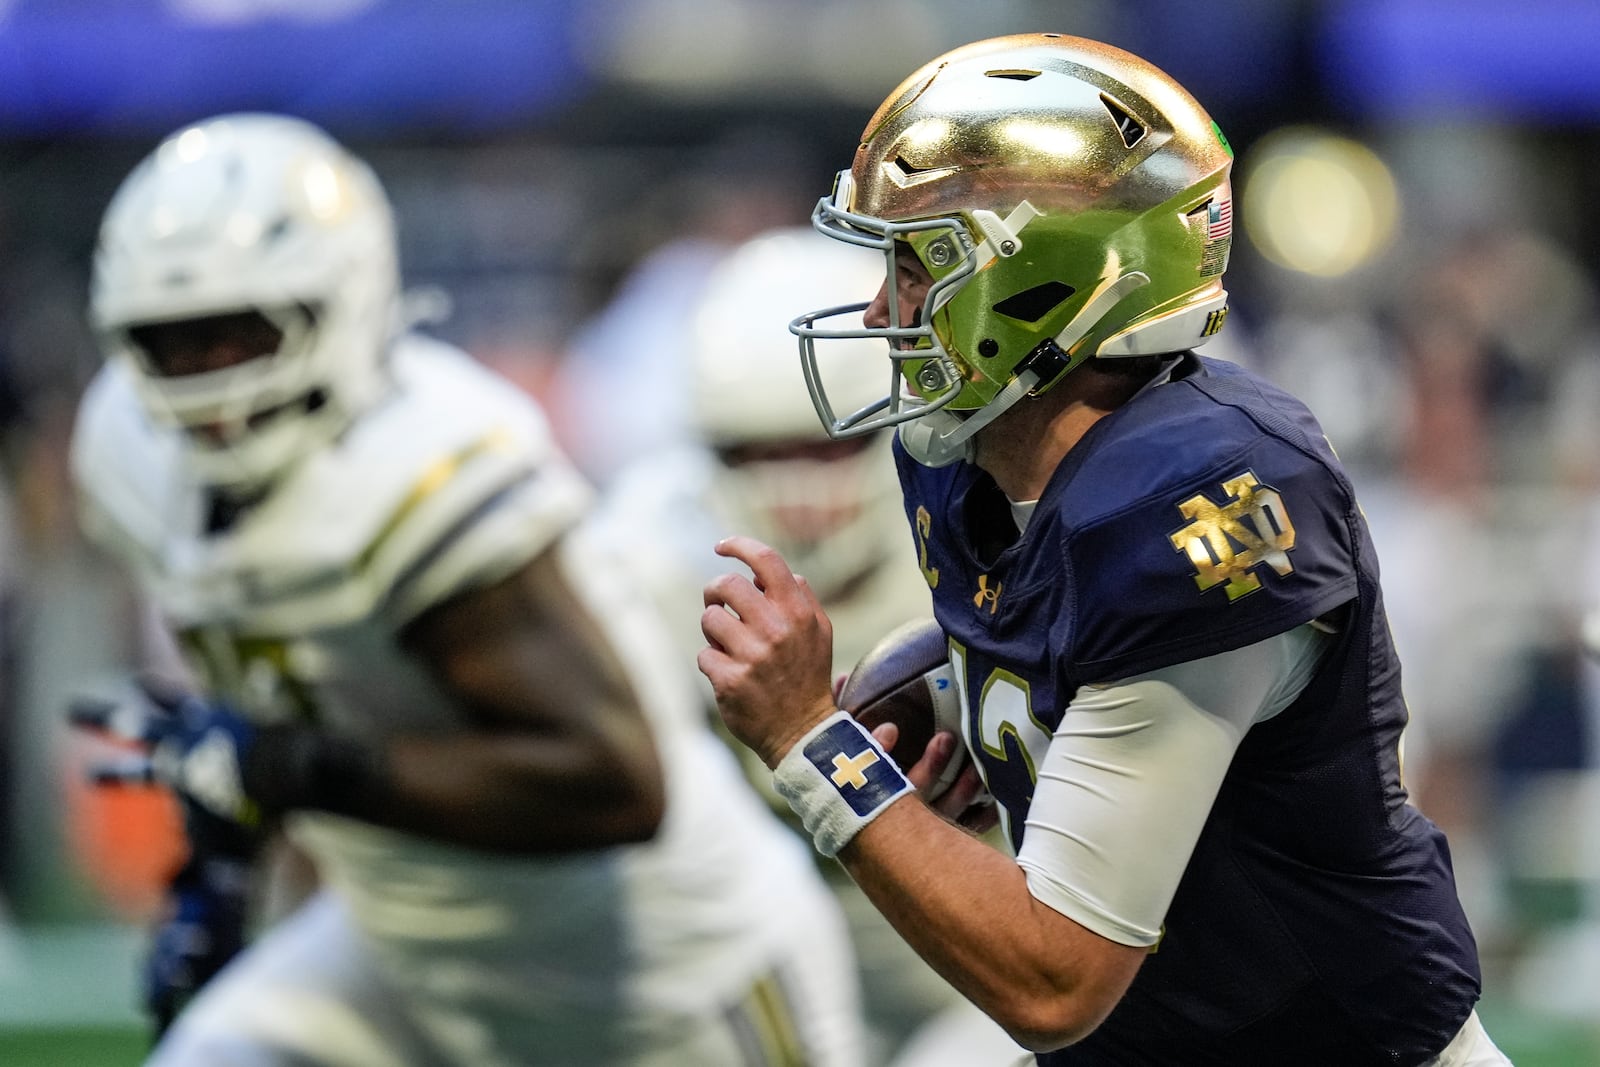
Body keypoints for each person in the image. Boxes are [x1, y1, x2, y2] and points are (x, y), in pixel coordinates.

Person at [699, 34, 1510, 1066]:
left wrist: (817, 743)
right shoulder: (966, 463)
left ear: (1038, 282)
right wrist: (957, 702)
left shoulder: (1199, 498)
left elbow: (1056, 977)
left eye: (913, 266)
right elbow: (1064, 650)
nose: (877, 310)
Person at [68, 112, 863, 1067]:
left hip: (654, 970)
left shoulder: (429, 464)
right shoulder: (126, 456)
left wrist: (287, 768)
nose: (207, 376)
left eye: (241, 332)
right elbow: (284, 702)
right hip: (407, 944)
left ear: (339, 306)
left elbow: (612, 784)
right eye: (173, 342)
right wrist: (225, 856)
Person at [585, 225, 1024, 1067]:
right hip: (754, 950)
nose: (799, 488)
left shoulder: (997, 515)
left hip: (986, 928)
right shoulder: (643, 558)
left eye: (827, 444)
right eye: (760, 451)